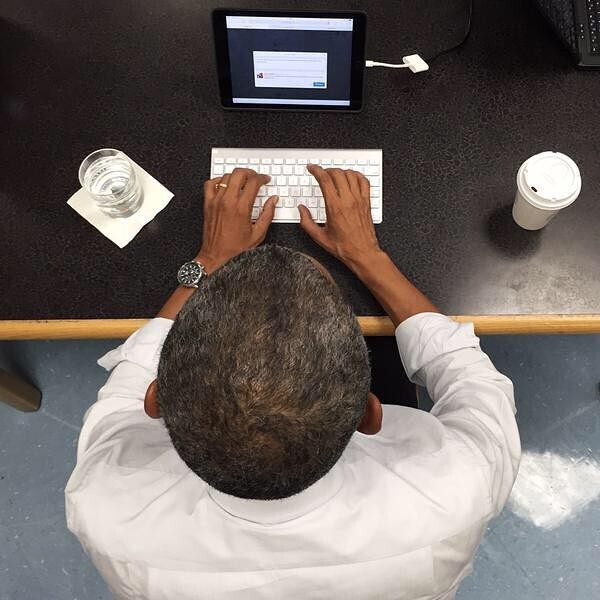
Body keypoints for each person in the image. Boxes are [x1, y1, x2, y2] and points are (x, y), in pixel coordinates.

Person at [66, 165, 521, 599]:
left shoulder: (105, 510)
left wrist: (210, 260)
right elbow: (471, 379)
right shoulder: (459, 489)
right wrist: (367, 259)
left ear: (157, 399)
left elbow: (124, 390)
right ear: (369, 412)